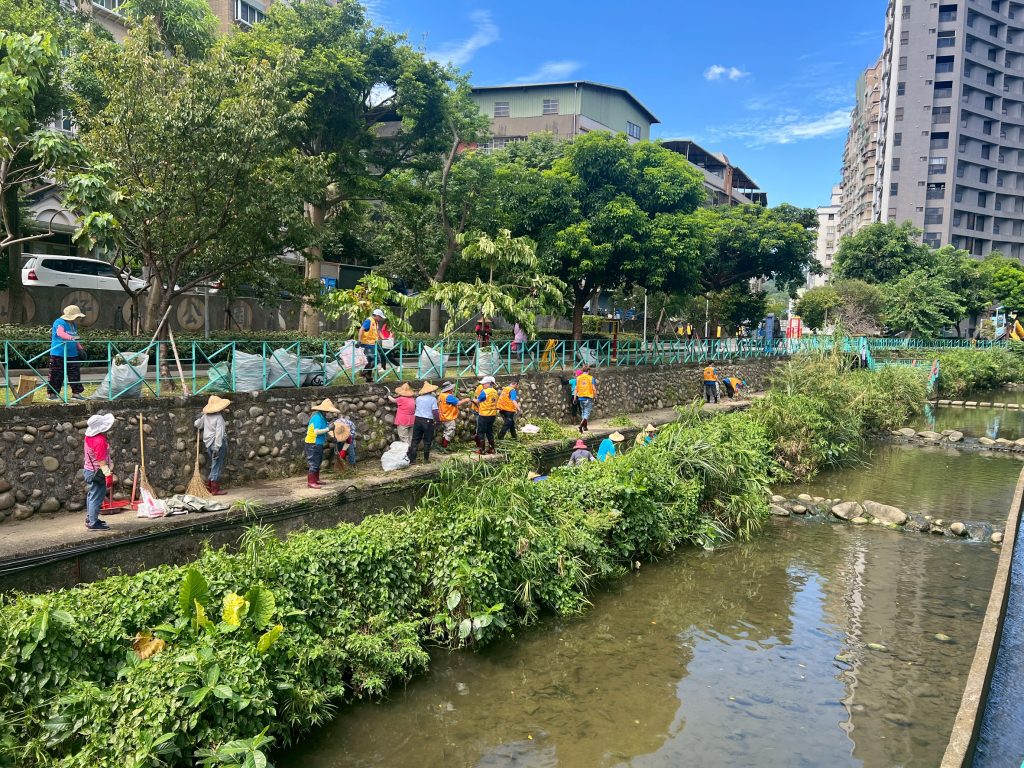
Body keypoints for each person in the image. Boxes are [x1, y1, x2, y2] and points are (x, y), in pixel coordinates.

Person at [83, 412, 116, 530]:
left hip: (89, 470)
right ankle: (93, 523)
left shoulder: (89, 437)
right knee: (96, 496)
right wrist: (108, 475)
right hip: (96, 472)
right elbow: (101, 461)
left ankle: (91, 518)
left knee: (92, 494)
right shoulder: (99, 441)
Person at [48, 304, 87, 402]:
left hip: (72, 353)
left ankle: (76, 393)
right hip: (58, 353)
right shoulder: (59, 322)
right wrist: (71, 337)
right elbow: (60, 333)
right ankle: (52, 394)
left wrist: (80, 349)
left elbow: (75, 338)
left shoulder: (73, 325)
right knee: (56, 374)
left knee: (75, 374)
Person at [194, 395, 230, 495]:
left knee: (214, 464)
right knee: (217, 465)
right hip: (217, 444)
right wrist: (217, 447)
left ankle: (210, 486)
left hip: (209, 444)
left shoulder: (206, 416)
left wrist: (198, 418)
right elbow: (219, 434)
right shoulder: (219, 418)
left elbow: (197, 424)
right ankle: (215, 489)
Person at [304, 399, 339, 489]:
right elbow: (316, 431)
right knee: (314, 463)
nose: (328, 413)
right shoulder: (317, 418)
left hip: (318, 443)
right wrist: (329, 429)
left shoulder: (322, 417)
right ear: (323, 410)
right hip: (312, 443)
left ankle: (316, 479)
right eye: (327, 411)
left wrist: (331, 436)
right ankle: (311, 482)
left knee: (318, 461)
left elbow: (326, 429)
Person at [407, 382, 440, 464]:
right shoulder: (433, 399)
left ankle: (412, 460)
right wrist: (438, 421)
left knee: (415, 440)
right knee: (427, 440)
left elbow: (416, 407)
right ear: (431, 391)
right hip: (427, 421)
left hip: (417, 420)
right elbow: (435, 412)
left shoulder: (418, 398)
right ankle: (425, 459)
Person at [437, 381, 470, 450]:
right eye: (452, 388)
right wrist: (466, 400)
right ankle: (444, 446)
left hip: (443, 415)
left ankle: (443, 445)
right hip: (448, 416)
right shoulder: (448, 396)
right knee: (450, 431)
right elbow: (458, 403)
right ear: (449, 389)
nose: (453, 389)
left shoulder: (441, 395)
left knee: (446, 431)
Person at [357, 308, 386, 382]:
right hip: (367, 344)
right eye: (380, 317)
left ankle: (368, 378)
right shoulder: (369, 321)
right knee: (377, 359)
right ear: (377, 315)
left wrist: (384, 338)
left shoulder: (375, 322)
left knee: (370, 361)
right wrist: (359, 340)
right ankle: (364, 372)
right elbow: (361, 329)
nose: (380, 319)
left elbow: (378, 331)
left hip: (372, 344)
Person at [475, 375, 499, 455]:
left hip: (484, 415)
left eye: (484, 384)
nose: (482, 385)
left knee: (481, 432)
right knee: (489, 432)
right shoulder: (495, 392)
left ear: (488, 383)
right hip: (492, 415)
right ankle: (492, 449)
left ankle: (481, 450)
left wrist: (472, 400)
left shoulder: (484, 392)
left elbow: (478, 401)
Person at [575, 365, 596, 433]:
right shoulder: (591, 378)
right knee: (587, 413)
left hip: (580, 398)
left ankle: (585, 427)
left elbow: (576, 389)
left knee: (583, 412)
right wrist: (595, 397)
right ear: (588, 371)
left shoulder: (578, 378)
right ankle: (581, 425)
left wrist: (575, 398)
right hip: (588, 397)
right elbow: (594, 389)